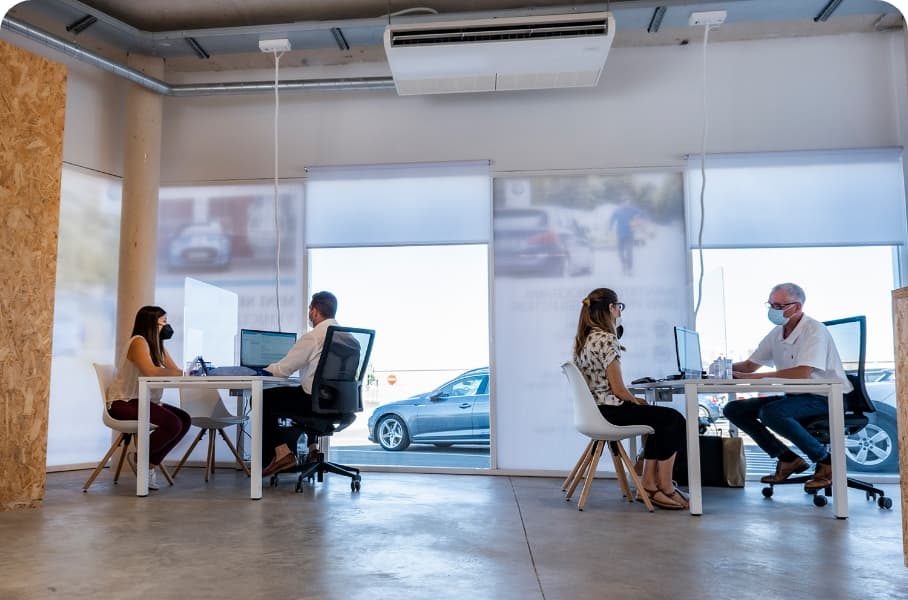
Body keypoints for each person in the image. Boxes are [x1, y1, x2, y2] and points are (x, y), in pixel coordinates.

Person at [723, 282, 853, 490]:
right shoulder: (777, 333)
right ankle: (787, 458)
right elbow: (750, 365)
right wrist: (722, 368)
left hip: (826, 397)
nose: (774, 311)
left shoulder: (814, 330)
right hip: (797, 397)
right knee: (734, 409)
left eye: (779, 306)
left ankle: (827, 461)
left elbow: (802, 373)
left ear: (798, 307)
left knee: (771, 412)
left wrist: (755, 378)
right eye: (771, 305)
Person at [574, 287, 688, 510]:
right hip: (610, 412)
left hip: (597, 411)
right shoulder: (607, 339)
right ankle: (663, 487)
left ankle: (650, 484)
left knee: (661, 420)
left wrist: (637, 403)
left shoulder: (584, 340)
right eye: (619, 307)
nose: (620, 312)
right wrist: (637, 401)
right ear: (611, 308)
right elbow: (617, 389)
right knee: (673, 419)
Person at [106, 305, 192, 491]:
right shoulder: (139, 342)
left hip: (144, 400)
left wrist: (186, 371)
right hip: (125, 402)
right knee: (173, 424)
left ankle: (148, 464)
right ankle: (140, 458)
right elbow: (151, 372)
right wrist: (179, 373)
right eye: (164, 322)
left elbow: (173, 370)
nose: (167, 327)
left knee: (184, 420)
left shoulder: (158, 345)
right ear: (151, 324)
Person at [261, 291, 343, 476]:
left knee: (263, 398)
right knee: (308, 393)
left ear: (314, 311)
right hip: (338, 404)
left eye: (309, 311)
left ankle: (282, 454)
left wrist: (258, 371)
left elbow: (283, 369)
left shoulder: (315, 336)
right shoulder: (347, 337)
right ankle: (312, 450)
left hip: (313, 403)